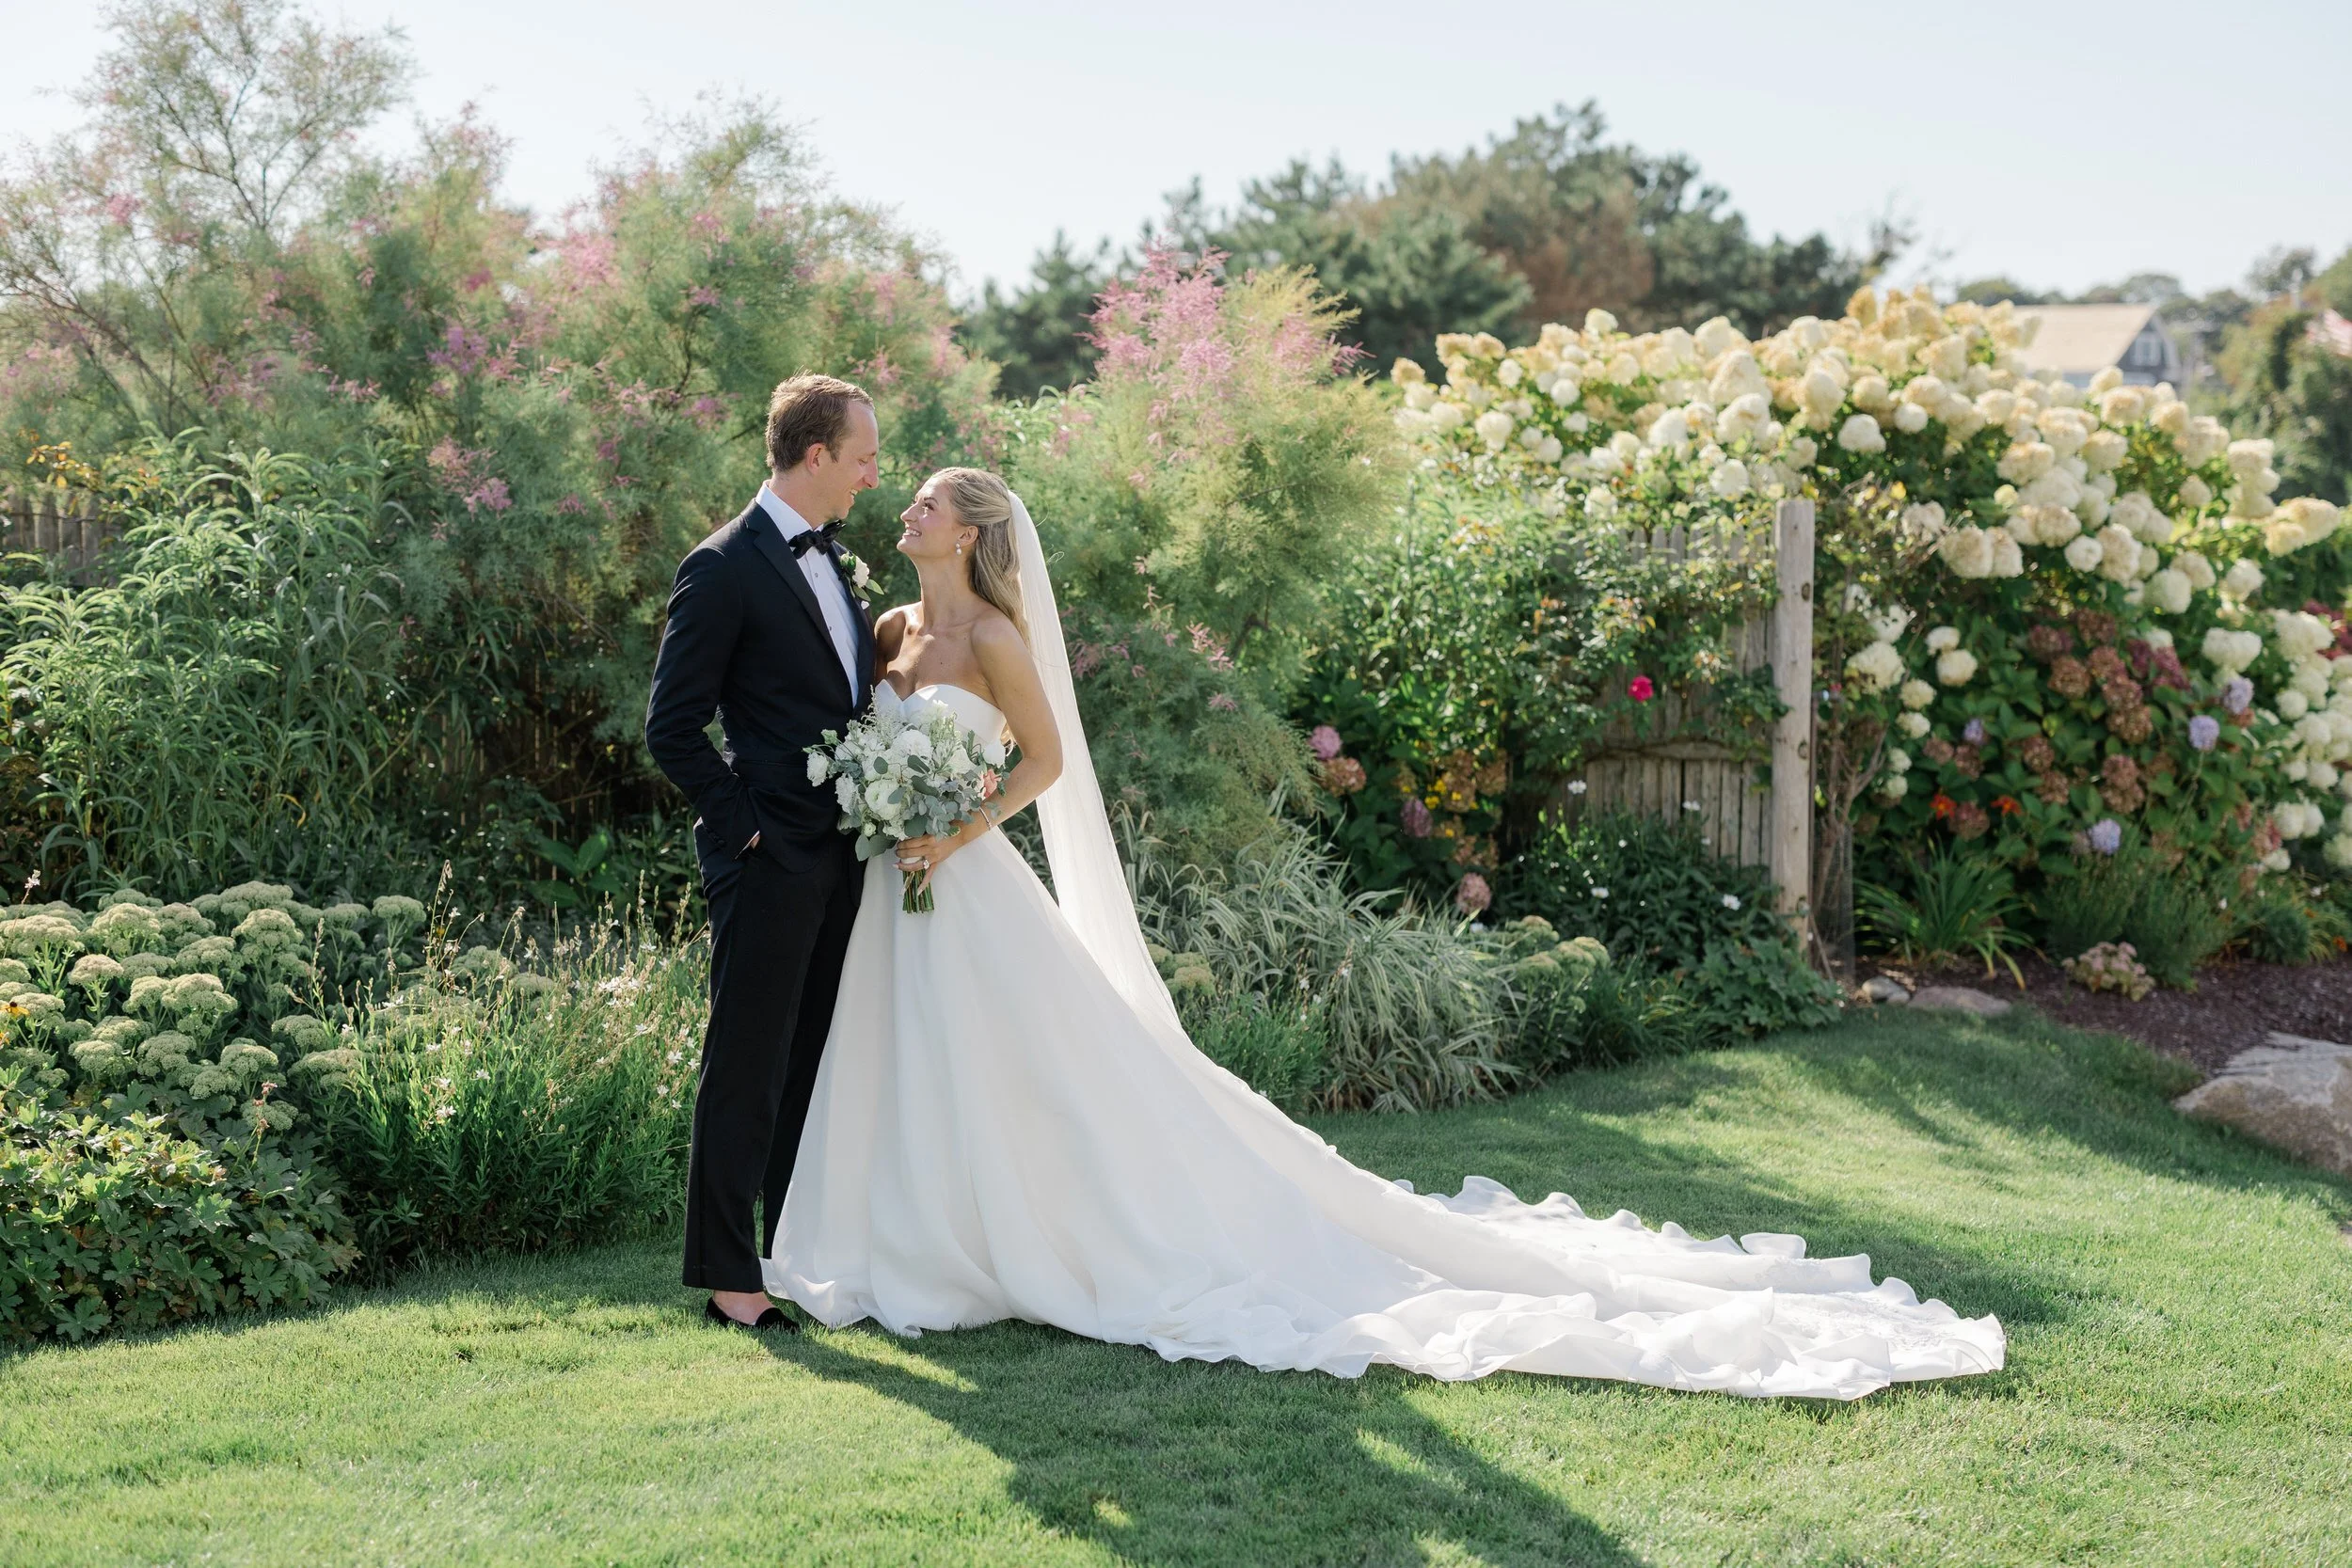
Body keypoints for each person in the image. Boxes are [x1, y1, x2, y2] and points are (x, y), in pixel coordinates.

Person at [761, 467, 2007, 1397]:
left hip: (963, 881)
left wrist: (955, 829)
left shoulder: (992, 638)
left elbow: (1041, 762)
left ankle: (1015, 1239)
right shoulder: (886, 633)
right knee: (901, 1060)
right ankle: (894, 1241)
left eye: (925, 503)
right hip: (892, 885)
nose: (906, 512)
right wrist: (886, 813)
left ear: (971, 533)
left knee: (1025, 1074)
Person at [644, 374, 879, 1330]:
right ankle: (729, 1278)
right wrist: (743, 824)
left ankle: (790, 1249)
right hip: (767, 852)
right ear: (815, 454)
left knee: (809, 1058)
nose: (872, 472)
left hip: (842, 851)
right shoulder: (723, 564)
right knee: (746, 1060)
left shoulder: (837, 560)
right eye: (862, 454)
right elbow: (671, 725)